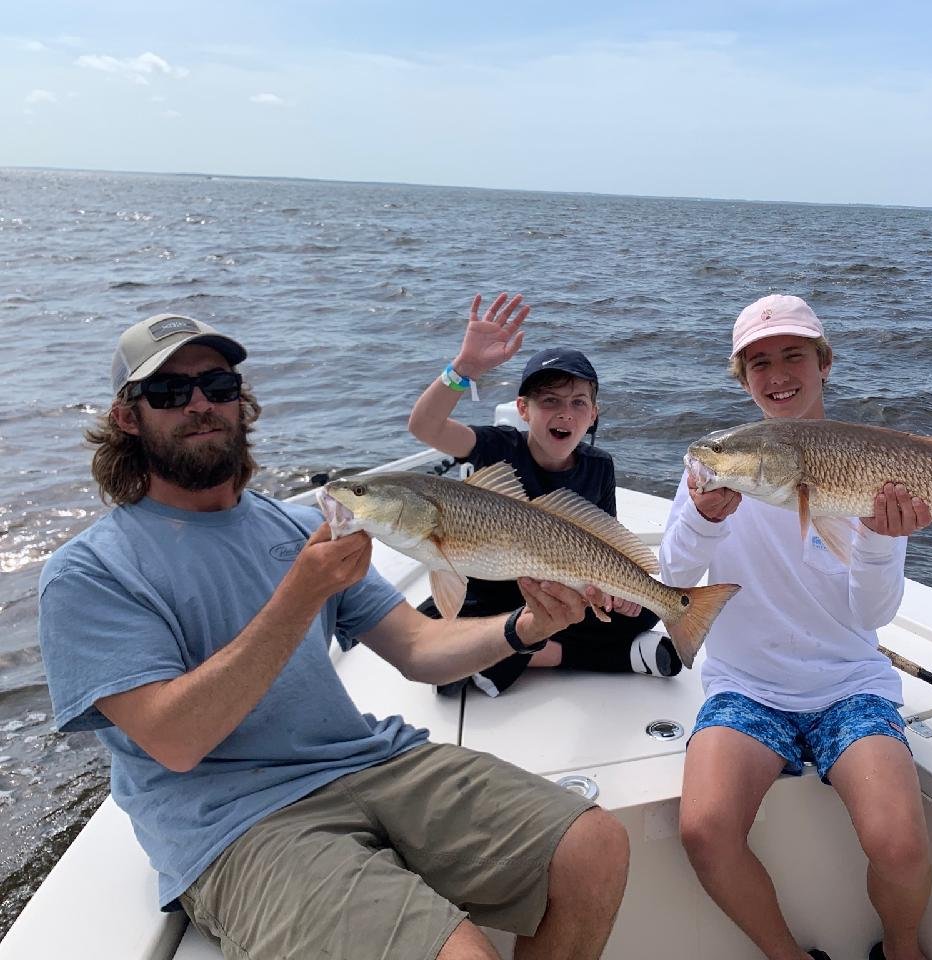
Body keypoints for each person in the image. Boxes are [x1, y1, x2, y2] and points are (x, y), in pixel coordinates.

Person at [37, 313, 629, 960]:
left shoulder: (291, 528)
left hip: (365, 761)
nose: (201, 404)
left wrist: (525, 626)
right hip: (236, 823)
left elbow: (419, 649)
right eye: (170, 393)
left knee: (592, 848)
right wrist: (298, 598)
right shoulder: (90, 572)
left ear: (242, 398)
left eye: (218, 384)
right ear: (127, 417)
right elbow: (174, 742)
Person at [658, 295, 932, 960]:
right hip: (747, 688)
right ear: (742, 379)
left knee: (899, 843)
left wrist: (876, 539)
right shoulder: (713, 463)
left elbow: (872, 616)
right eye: (758, 362)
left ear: (824, 364)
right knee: (704, 829)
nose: (776, 373)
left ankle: (900, 949)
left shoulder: (869, 465)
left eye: (792, 355)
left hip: (849, 686)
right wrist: (703, 517)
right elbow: (671, 577)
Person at [408, 292, 680, 697]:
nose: (564, 413)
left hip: (561, 599)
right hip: (491, 600)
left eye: (578, 403)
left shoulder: (599, 465)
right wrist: (463, 369)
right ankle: (597, 656)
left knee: (639, 613)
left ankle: (520, 657)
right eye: (548, 401)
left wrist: (616, 595)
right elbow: (425, 427)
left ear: (593, 414)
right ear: (523, 409)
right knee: (430, 644)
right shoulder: (497, 447)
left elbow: (604, 542)